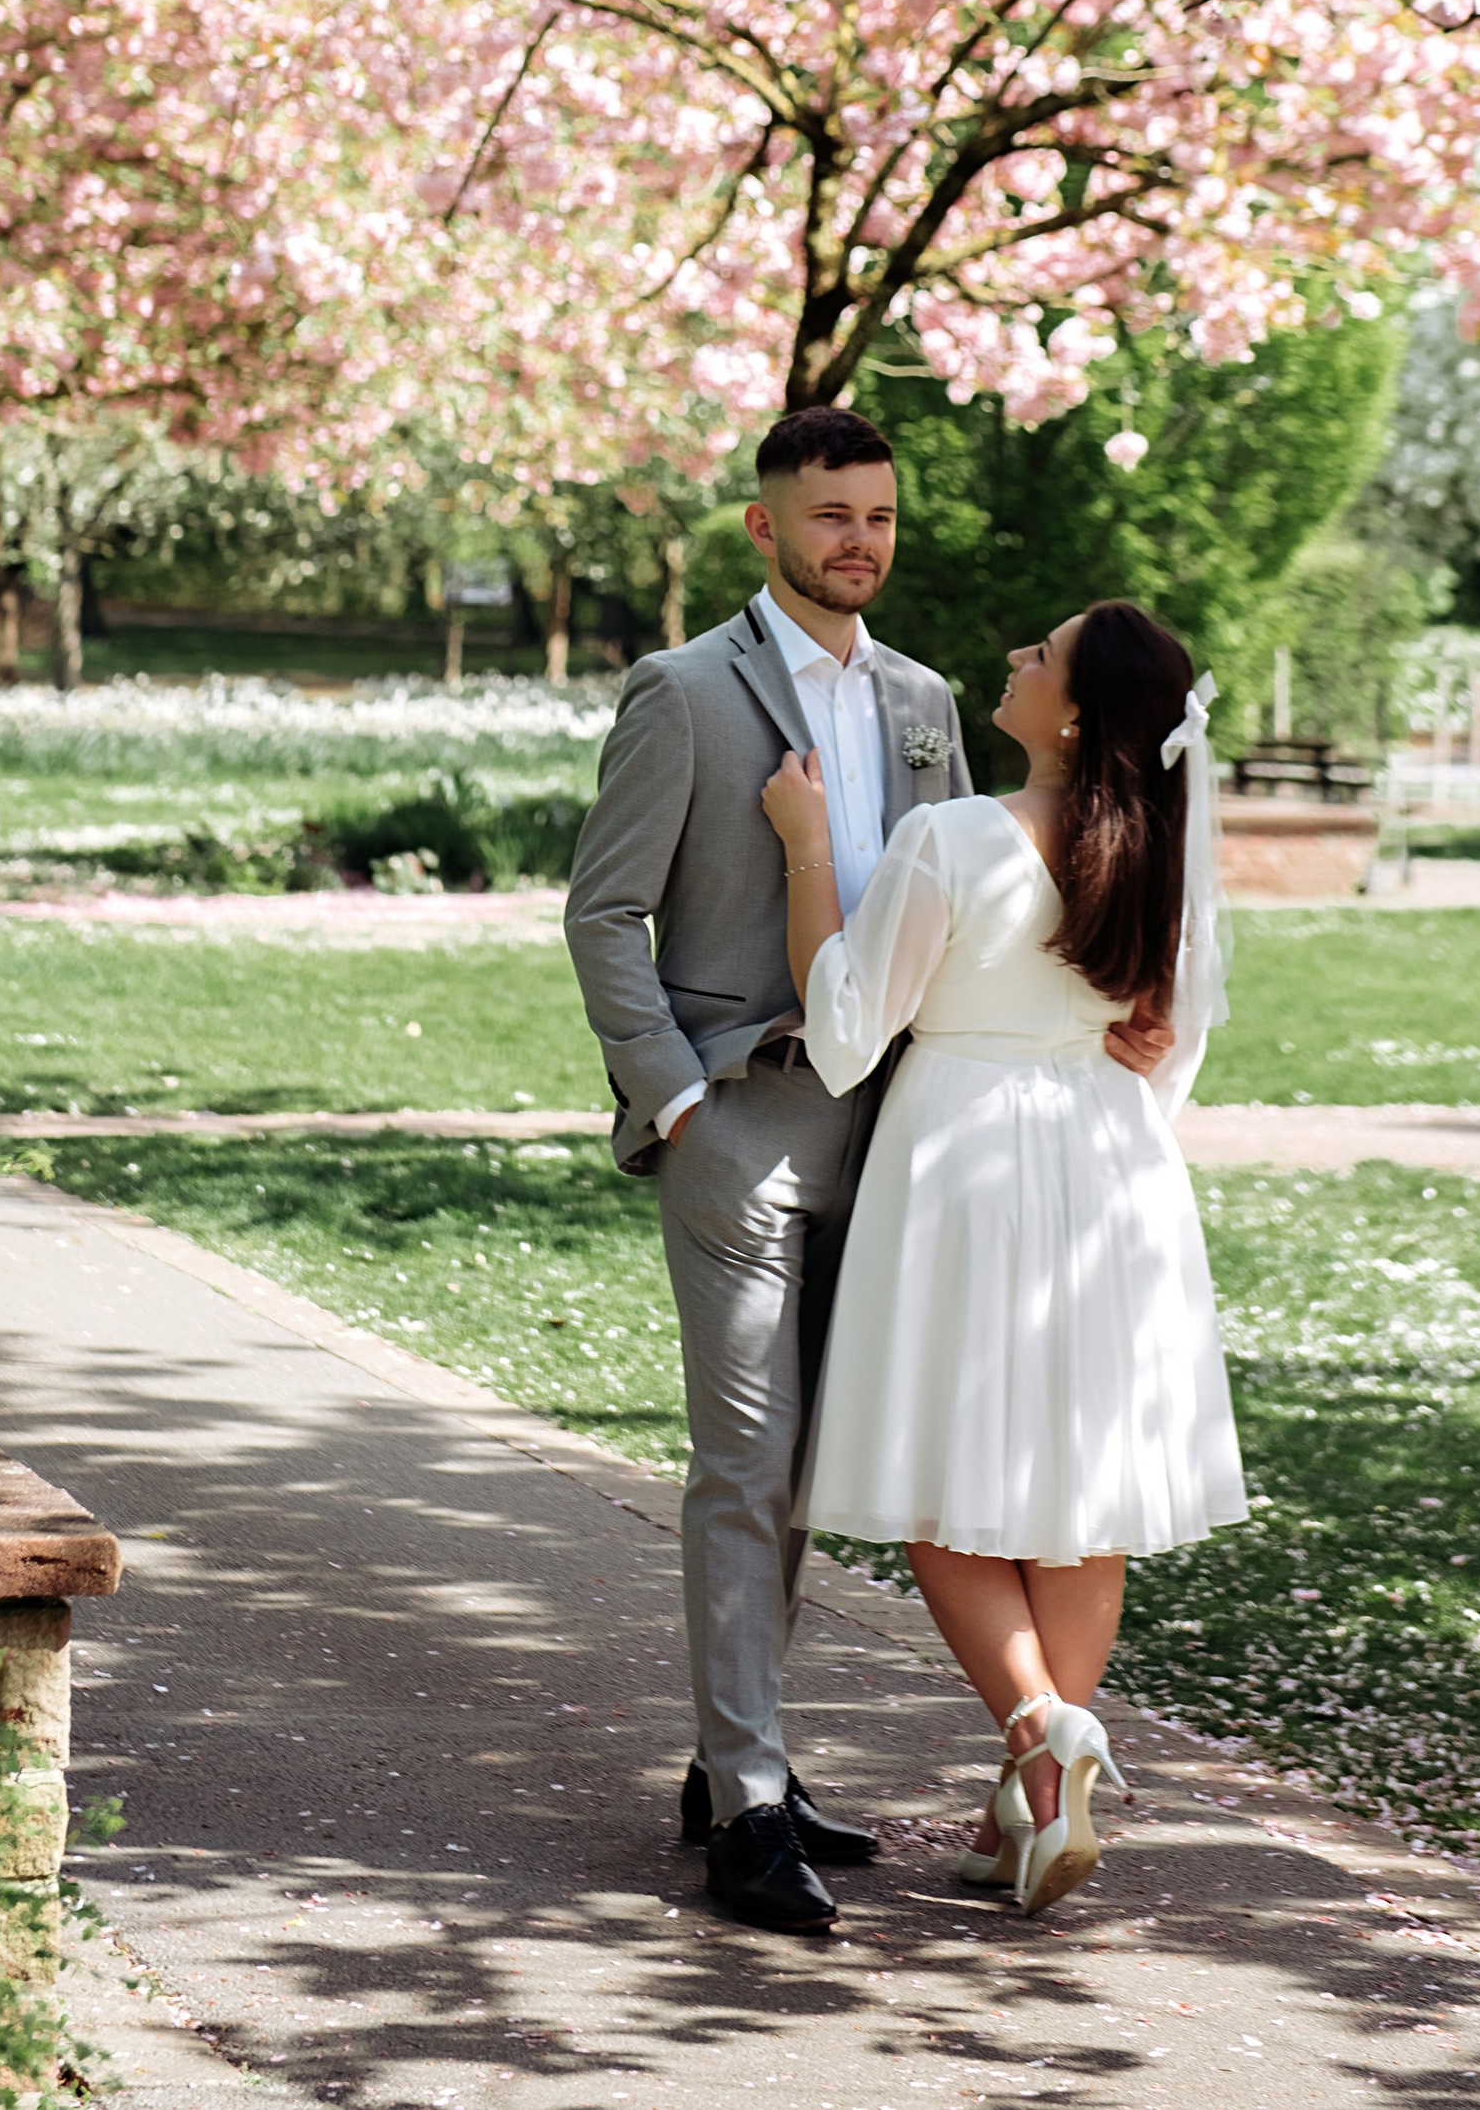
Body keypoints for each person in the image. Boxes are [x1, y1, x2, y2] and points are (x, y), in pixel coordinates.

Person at [766, 598, 1248, 1915]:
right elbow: (1172, 1051)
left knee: (941, 1487)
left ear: (1074, 713)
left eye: (1040, 653)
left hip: (964, 1162)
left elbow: (848, 1031)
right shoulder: (1164, 855)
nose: (1015, 657)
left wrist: (808, 849)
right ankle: (1030, 1809)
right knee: (1080, 1498)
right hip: (1112, 1171)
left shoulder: (957, 836)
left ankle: (1042, 1733)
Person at [563, 402, 971, 1934]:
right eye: (830, 516)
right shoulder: (683, 692)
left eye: (879, 516)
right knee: (745, 1464)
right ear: (765, 527)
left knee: (805, 1470)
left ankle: (739, 1763)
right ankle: (746, 1807)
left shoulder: (923, 699)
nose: (859, 542)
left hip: (886, 1129)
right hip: (738, 1118)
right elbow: (604, 912)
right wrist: (675, 1098)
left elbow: (948, 905)